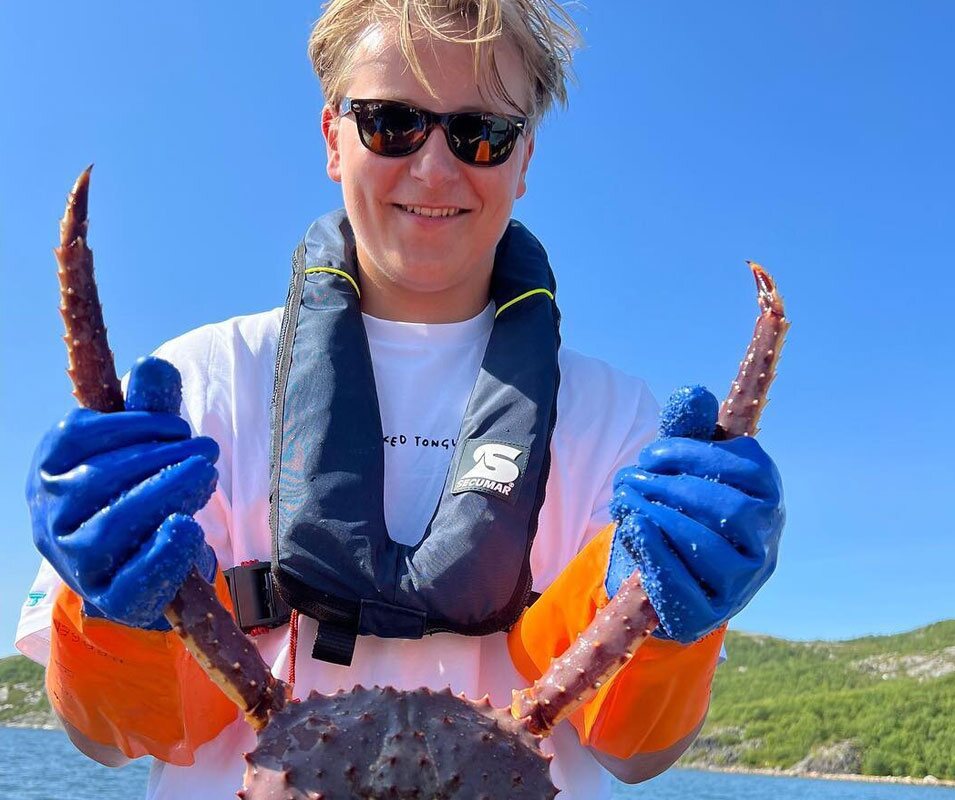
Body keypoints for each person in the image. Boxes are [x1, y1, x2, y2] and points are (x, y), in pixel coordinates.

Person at [17, 2, 785, 798]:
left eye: (480, 132)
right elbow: (109, 738)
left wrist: (674, 619)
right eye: (391, 122)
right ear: (331, 136)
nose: (434, 170)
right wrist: (109, 611)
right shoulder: (204, 382)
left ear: (523, 160)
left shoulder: (619, 423)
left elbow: (636, 752)